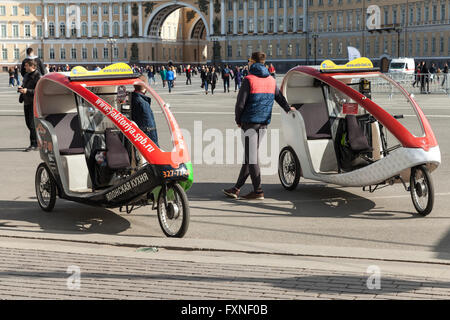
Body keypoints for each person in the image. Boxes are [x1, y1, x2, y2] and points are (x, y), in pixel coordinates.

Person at [223, 52, 295, 200]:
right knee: (250, 157)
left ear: (253, 62)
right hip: (263, 124)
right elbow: (279, 98)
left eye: (249, 60)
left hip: (249, 123)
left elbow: (240, 104)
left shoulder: (248, 79)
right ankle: (236, 188)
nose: (248, 63)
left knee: (252, 158)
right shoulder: (271, 80)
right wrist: (288, 108)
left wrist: (238, 119)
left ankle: (258, 191)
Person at [19, 59, 42, 152]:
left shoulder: (38, 76)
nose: (24, 67)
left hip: (33, 102)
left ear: (32, 66)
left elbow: (39, 91)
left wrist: (27, 91)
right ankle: (37, 141)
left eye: (26, 65)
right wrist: (21, 89)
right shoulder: (26, 75)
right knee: (28, 123)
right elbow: (24, 84)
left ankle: (34, 144)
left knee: (32, 125)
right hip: (26, 102)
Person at [131, 76, 159, 148]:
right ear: (145, 86)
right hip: (145, 135)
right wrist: (155, 145)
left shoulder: (132, 98)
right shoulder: (142, 102)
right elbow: (149, 124)